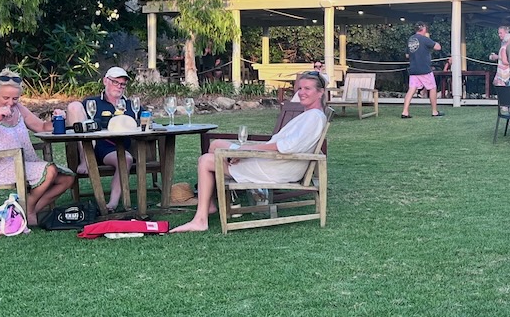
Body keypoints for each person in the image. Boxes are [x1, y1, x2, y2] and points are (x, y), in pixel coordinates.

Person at [170, 72, 328, 233]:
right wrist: (245, 152)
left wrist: (246, 151)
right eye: (300, 88)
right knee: (216, 145)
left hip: (278, 168)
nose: (301, 92)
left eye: (307, 89)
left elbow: (286, 147)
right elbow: (281, 144)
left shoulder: (314, 117)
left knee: (206, 160)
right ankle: (209, 204)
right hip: (276, 161)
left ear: (320, 92)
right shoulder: (309, 115)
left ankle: (200, 220)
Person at [0, 68, 74, 226]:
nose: (10, 102)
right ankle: (28, 211)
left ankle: (25, 211)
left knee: (67, 179)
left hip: (18, 162)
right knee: (50, 170)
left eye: (15, 98)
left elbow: (41, 127)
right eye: (5, 98)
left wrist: (58, 119)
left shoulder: (18, 108)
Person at [65, 66, 136, 213]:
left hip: (117, 148)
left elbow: (146, 121)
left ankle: (112, 204)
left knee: (126, 159)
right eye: (115, 82)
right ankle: (85, 159)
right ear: (105, 81)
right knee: (74, 107)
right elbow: (75, 120)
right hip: (96, 145)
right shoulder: (92, 103)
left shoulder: (130, 105)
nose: (119, 86)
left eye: (122, 84)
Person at [401, 22, 443, 118]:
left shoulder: (411, 39)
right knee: (432, 88)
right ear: (423, 29)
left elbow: (407, 55)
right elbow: (438, 47)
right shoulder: (424, 39)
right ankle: (434, 111)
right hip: (424, 69)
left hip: (413, 69)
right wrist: (429, 40)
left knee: (411, 89)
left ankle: (405, 112)